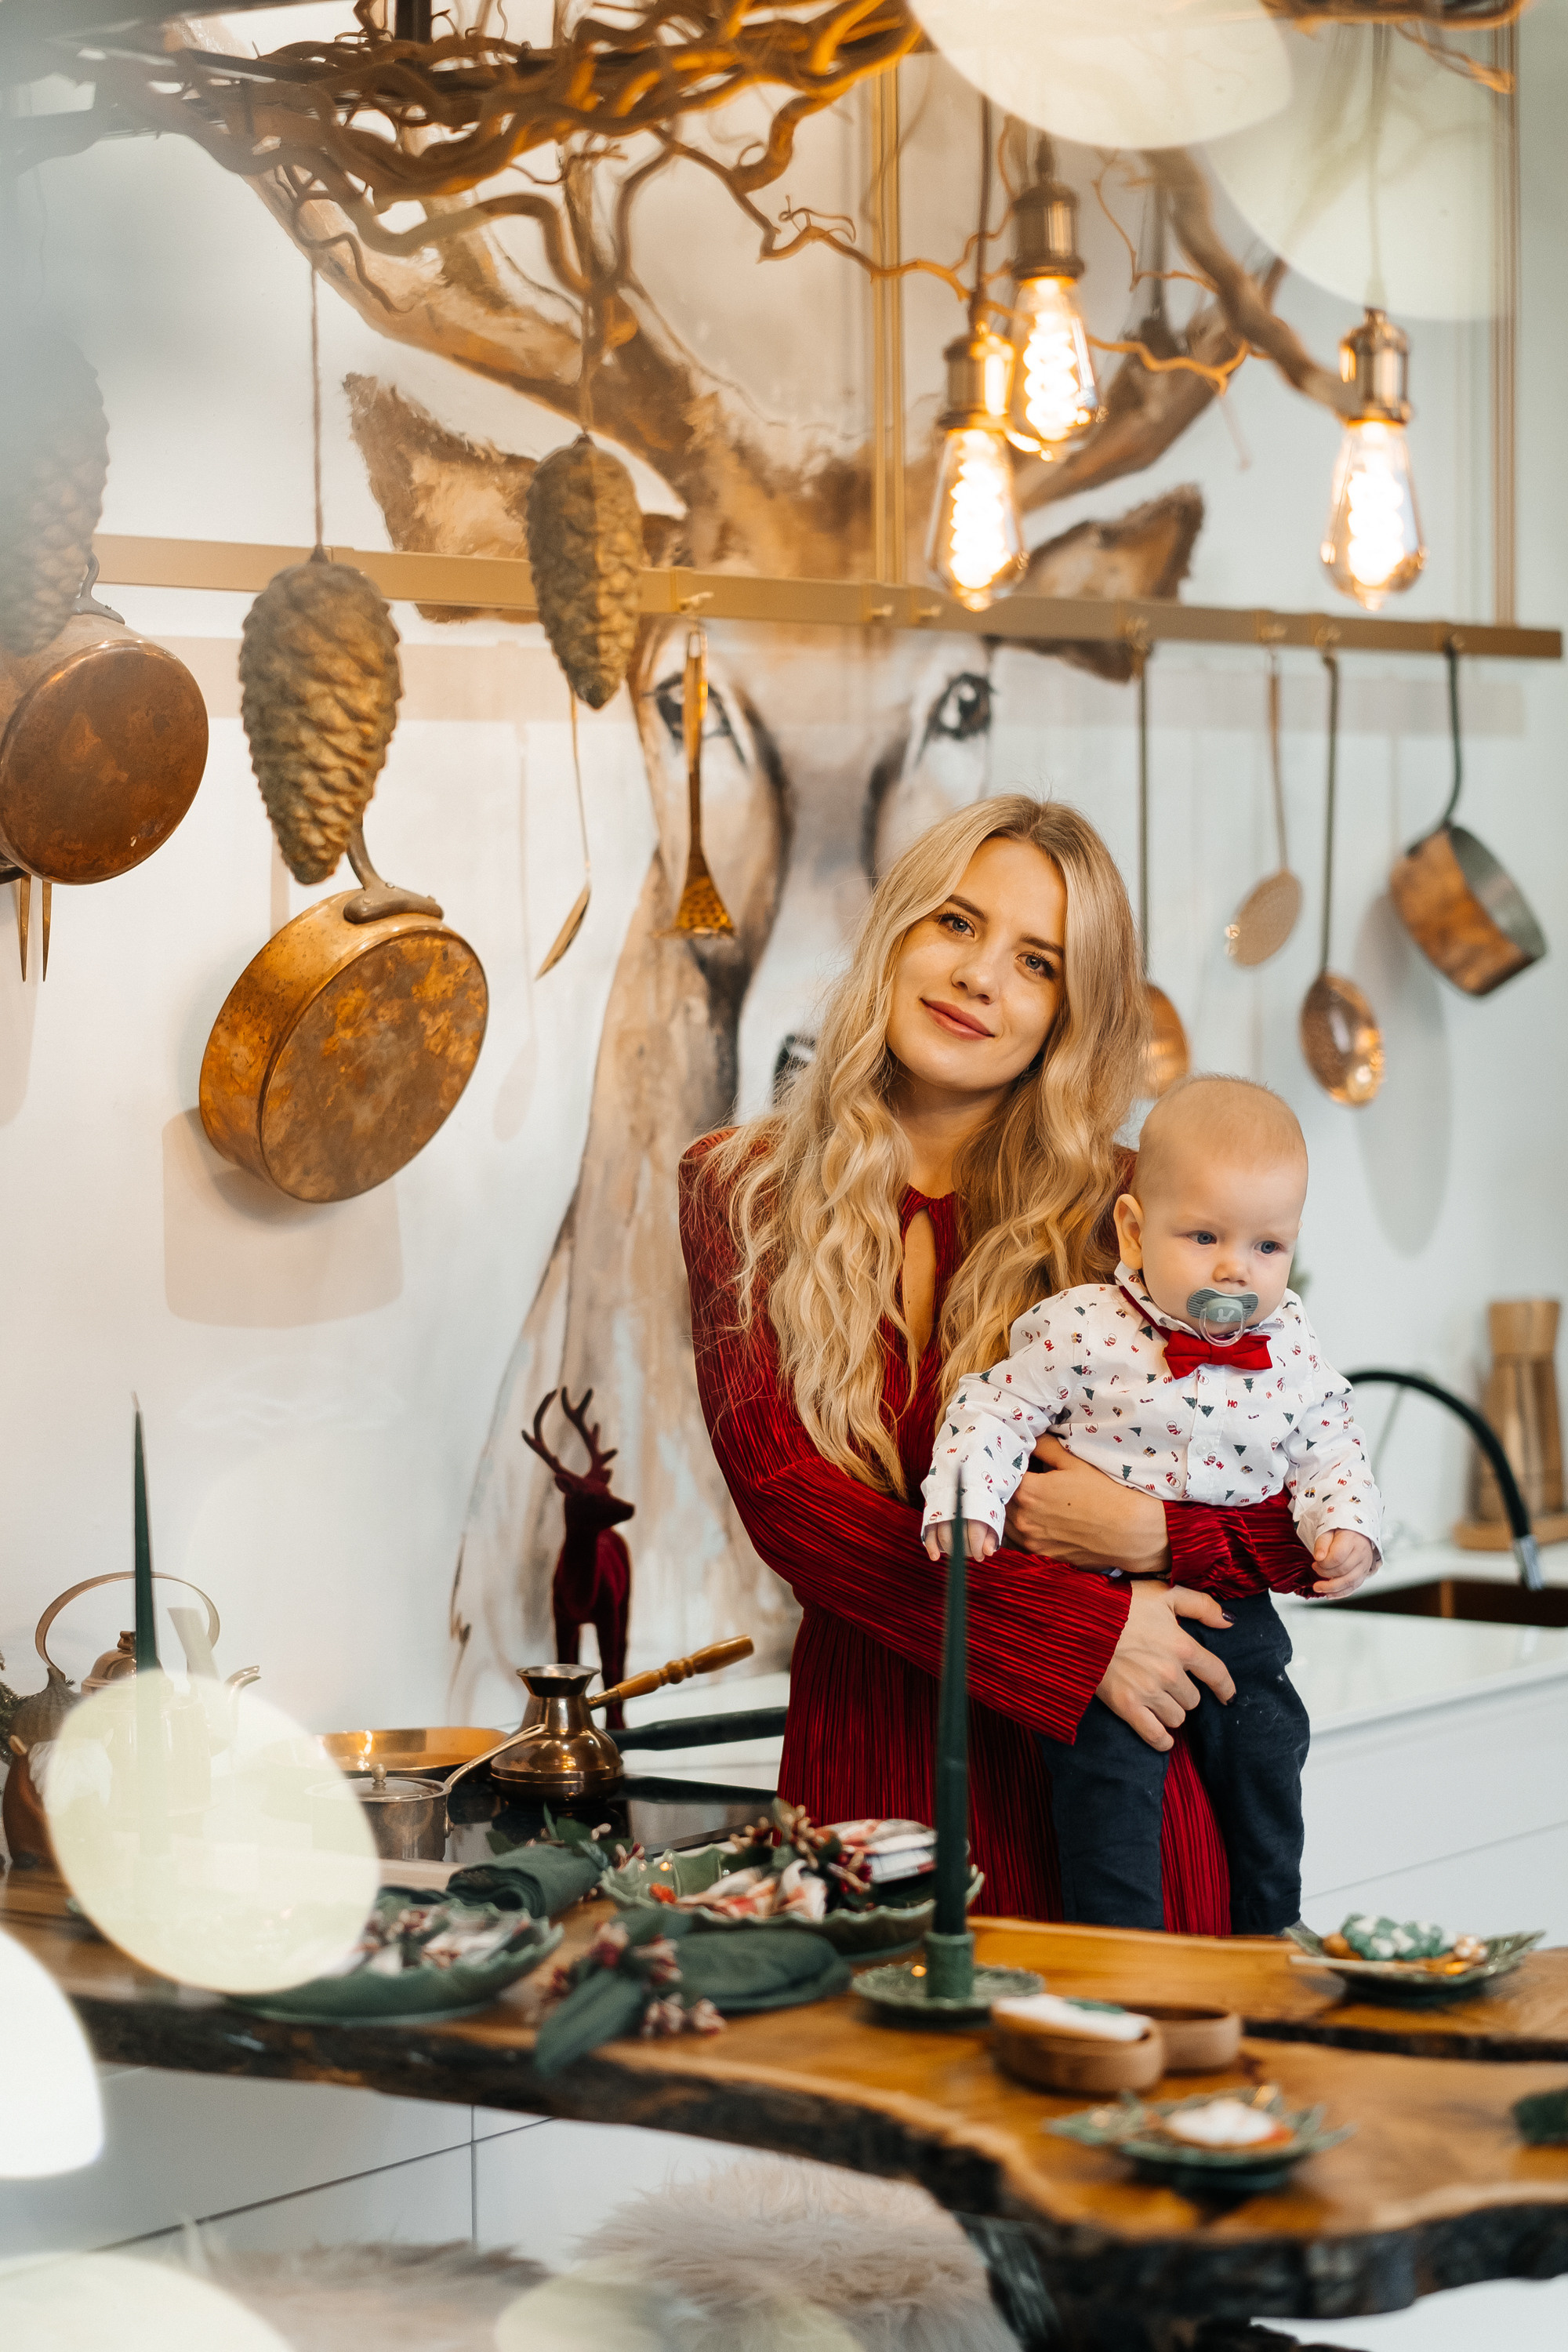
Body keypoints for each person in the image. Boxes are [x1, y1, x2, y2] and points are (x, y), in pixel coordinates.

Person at [678, 797, 1376, 1924]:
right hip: (880, 1775)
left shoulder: (1138, 1206)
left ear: (1068, 1011)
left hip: (1126, 1783)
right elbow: (785, 1502)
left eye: (1036, 961)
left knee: (1151, 2081)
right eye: (957, 924)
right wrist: (1076, 1636)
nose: (978, 976)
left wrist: (1158, 1537)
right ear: (900, 932)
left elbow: (1290, 1492)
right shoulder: (739, 1184)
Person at [921, 1073, 1380, 1932]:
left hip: (1233, 1612)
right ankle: (1118, 1944)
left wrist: (1344, 1524)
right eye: (1202, 1235)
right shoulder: (1082, 1326)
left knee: (1270, 1752)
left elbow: (1329, 1437)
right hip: (1102, 1613)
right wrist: (969, 1499)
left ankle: (1269, 1930)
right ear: (1133, 1231)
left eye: (1265, 1247)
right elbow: (993, 1406)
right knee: (1108, 1784)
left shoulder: (1289, 1342)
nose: (1231, 1270)